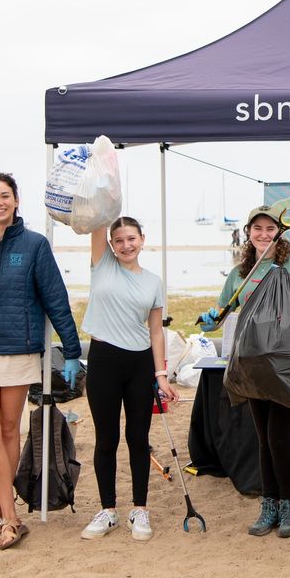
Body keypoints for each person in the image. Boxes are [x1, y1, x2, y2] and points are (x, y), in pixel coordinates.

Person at [0, 173, 83, 550]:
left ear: (16, 201)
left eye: (5, 196)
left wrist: (73, 350)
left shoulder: (34, 245)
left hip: (19, 348)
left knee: (10, 431)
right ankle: (12, 516)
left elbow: (55, 298)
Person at [200, 206, 290, 538]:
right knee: (263, 439)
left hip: (285, 364)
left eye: (270, 229)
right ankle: (270, 506)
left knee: (278, 437)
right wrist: (211, 319)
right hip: (252, 364)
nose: (263, 234)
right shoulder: (240, 273)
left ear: (280, 232)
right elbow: (222, 313)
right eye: (257, 228)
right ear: (248, 232)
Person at [79, 216, 180, 543]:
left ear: (142, 239)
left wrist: (161, 375)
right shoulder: (102, 264)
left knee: (138, 438)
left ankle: (140, 509)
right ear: (110, 243)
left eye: (131, 239)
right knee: (106, 439)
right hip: (103, 360)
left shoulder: (153, 281)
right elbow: (97, 215)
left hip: (139, 365)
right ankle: (108, 510)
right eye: (119, 240)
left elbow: (155, 331)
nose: (126, 245)